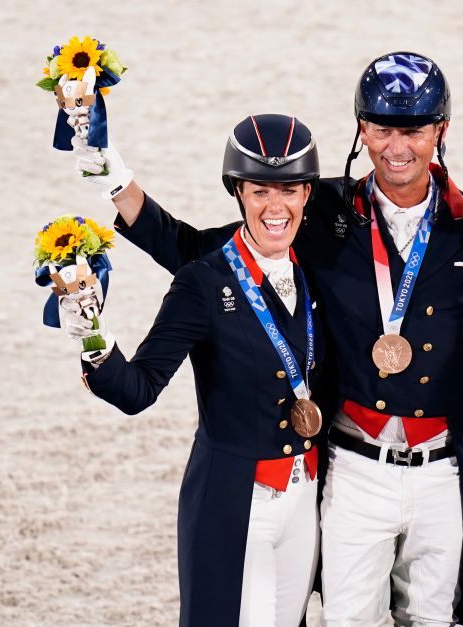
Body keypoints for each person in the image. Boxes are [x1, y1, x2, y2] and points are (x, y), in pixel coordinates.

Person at [71, 51, 463, 626]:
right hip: (354, 463)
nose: (396, 146)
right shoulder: (316, 208)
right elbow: (192, 249)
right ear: (361, 130)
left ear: (441, 131)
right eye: (381, 129)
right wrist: (109, 170)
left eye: (414, 129)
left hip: (445, 465)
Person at [62, 114, 325, 626]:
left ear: (308, 194)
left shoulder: (313, 255)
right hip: (236, 500)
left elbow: (177, 240)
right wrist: (91, 334)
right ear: (238, 193)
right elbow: (136, 390)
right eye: (259, 191)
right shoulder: (203, 281)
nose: (276, 206)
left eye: (290, 189)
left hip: (305, 498)